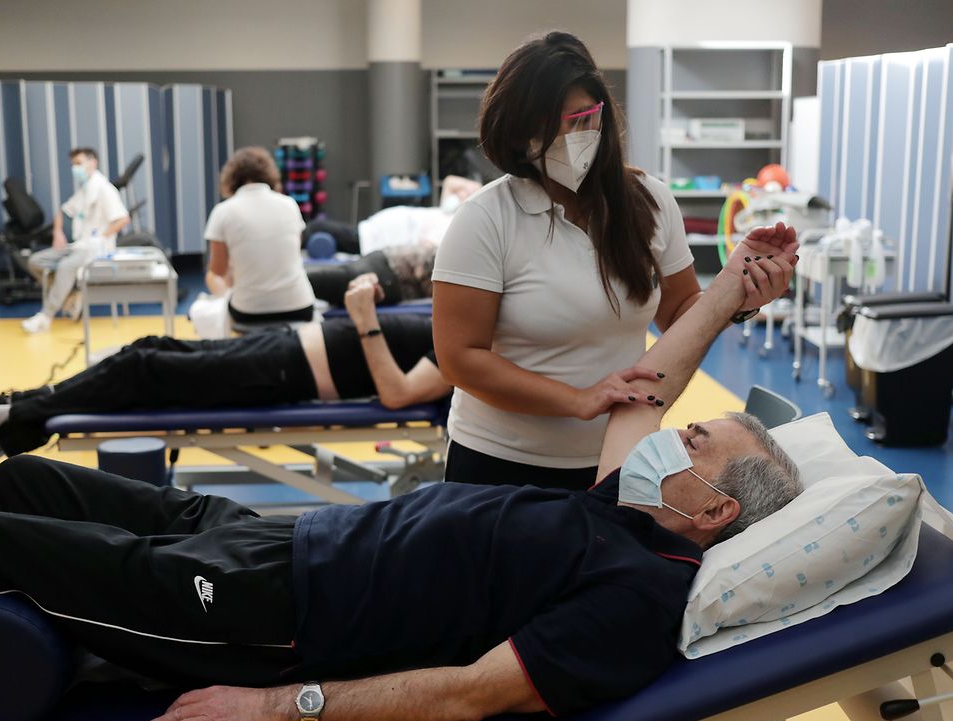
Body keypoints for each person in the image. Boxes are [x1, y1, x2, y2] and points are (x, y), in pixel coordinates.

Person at [0, 236, 799, 721]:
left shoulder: (639, 595)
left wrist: (282, 709)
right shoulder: (628, 511)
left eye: (696, 442)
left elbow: (471, 695)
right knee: (29, 477)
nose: (672, 428)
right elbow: (651, 387)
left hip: (271, 615)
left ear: (716, 512)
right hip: (276, 538)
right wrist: (730, 290)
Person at [432, 33, 787, 490]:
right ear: (519, 136)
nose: (568, 139)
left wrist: (740, 294)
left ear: (602, 114)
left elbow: (681, 314)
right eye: (546, 128)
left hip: (616, 459)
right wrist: (575, 399)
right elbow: (459, 358)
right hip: (500, 464)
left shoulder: (650, 203)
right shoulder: (486, 218)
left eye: (581, 119)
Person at [0, 274, 448, 457]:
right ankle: (8, 408)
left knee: (139, 371)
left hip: (283, 375)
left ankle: (8, 427)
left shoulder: (472, 351)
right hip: (281, 351)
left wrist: (364, 317)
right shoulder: (465, 327)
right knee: (144, 348)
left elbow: (399, 394)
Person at [204, 147, 317, 332]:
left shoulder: (222, 212)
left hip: (249, 311)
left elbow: (217, 271)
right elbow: (291, 253)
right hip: (300, 306)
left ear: (230, 179)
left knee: (214, 277)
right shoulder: (289, 205)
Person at [22, 147, 130, 334]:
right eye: (73, 165)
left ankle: (46, 317)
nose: (75, 169)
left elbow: (123, 219)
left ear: (92, 163)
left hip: (97, 248)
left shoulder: (105, 189)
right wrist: (57, 232)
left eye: (78, 164)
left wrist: (101, 238)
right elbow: (63, 210)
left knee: (66, 266)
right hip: (79, 245)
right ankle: (70, 297)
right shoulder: (85, 190)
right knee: (35, 261)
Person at [303, 175, 482, 255]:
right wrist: (474, 189)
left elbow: (426, 250)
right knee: (314, 228)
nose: (462, 194)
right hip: (375, 227)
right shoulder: (448, 211)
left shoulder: (451, 227)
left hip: (374, 240)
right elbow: (451, 181)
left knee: (315, 228)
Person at [306, 242, 437, 307]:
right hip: (390, 272)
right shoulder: (446, 257)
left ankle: (295, 284)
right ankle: (293, 285)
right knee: (333, 282)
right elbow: (422, 272)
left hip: (386, 264)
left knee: (336, 286)